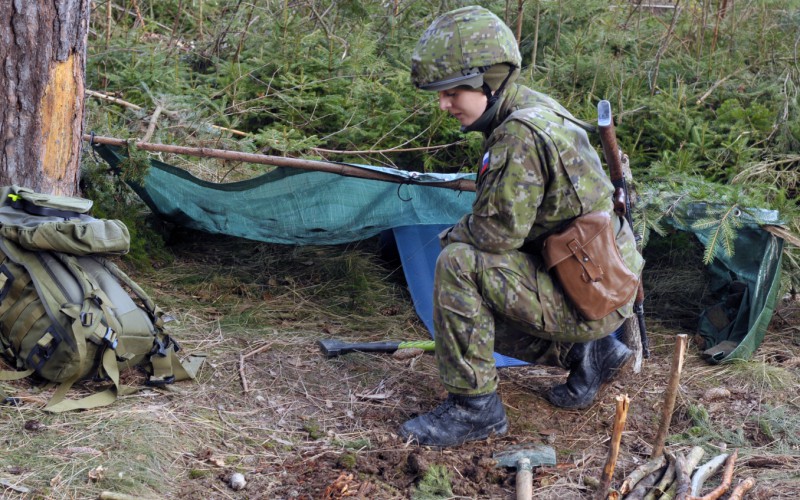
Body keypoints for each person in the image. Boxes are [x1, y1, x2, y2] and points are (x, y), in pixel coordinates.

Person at [398, 6, 644, 448]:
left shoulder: (518, 135)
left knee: (457, 265)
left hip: (590, 293)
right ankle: (594, 351)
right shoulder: (535, 106)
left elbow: (495, 237)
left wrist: (452, 235)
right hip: (601, 284)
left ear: (488, 81)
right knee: (470, 260)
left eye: (452, 91)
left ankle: (475, 410)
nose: (443, 104)